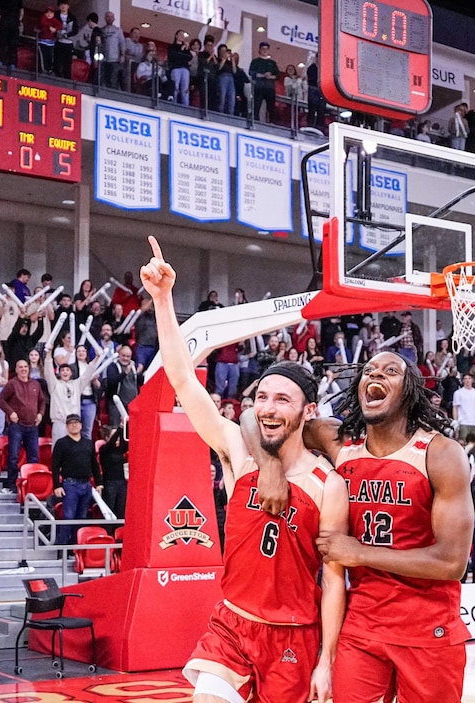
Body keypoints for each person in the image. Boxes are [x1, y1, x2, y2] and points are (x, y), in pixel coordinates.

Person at [141, 236, 346, 703]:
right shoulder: (239, 450)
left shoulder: (328, 485)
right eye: (261, 398)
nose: (268, 409)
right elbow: (181, 379)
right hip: (231, 625)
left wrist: (326, 661)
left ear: (307, 410)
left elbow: (334, 581)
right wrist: (163, 300)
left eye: (282, 400)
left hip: (294, 635)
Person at [268, 345, 474, 702]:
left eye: (390, 371)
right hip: (362, 625)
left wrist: (359, 552)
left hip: (427, 629)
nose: (375, 374)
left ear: (409, 392)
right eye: (369, 370)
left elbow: (451, 563)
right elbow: (259, 422)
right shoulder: (341, 442)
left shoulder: (440, 453)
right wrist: (270, 468)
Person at [49, 414, 102, 546]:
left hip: (86, 484)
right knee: (68, 517)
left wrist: (99, 483)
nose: (74, 425)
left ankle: (75, 547)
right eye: (71, 423)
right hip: (70, 484)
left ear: (81, 425)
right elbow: (55, 466)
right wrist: (57, 485)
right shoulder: (61, 443)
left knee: (81, 518)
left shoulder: (88, 443)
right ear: (67, 426)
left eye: (76, 422)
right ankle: (62, 547)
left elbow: (94, 465)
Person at [0, 359, 46, 493]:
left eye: (25, 366)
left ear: (29, 368)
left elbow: (42, 401)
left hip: (33, 426)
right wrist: (10, 412)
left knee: (33, 457)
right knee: (13, 457)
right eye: (20, 367)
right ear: (17, 369)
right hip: (17, 426)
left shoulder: (35, 383)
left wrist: (41, 414)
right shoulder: (12, 384)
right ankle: (11, 485)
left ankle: (31, 487)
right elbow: (0, 400)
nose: (23, 369)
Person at [98, 424, 128, 520]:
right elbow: (111, 443)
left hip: (121, 483)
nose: (117, 438)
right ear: (107, 437)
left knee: (121, 509)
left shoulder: (120, 449)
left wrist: (125, 428)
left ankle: (118, 531)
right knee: (109, 510)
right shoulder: (104, 449)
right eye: (115, 436)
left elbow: (125, 442)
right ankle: (108, 531)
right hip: (109, 483)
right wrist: (120, 428)